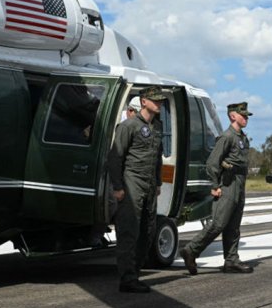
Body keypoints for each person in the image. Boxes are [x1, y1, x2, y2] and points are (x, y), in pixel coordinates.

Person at [180, 102, 255, 275]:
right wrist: (215, 185)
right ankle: (191, 250)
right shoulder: (227, 136)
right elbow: (212, 162)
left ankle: (231, 260)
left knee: (233, 226)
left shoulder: (242, 137)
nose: (245, 118)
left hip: (239, 182)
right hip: (227, 184)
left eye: (246, 116)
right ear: (232, 116)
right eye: (242, 115)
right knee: (218, 223)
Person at [107, 86, 167, 293]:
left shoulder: (157, 127)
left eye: (160, 100)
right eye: (155, 100)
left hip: (150, 185)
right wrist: (118, 187)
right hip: (132, 183)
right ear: (143, 102)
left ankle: (135, 272)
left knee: (148, 232)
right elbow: (115, 157)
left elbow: (157, 157)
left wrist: (158, 182)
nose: (159, 103)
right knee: (128, 232)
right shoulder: (128, 126)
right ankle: (127, 278)